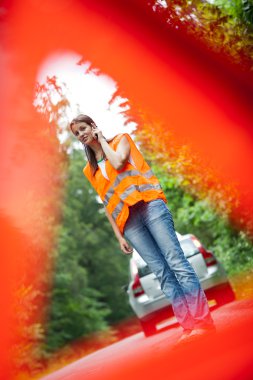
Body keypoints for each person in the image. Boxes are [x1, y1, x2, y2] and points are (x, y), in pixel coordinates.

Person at [70, 114, 215, 343]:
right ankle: (188, 327)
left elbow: (118, 162)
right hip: (129, 222)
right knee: (162, 273)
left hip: (150, 206)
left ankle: (203, 323)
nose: (81, 135)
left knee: (176, 262)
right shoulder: (90, 170)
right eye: (77, 133)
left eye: (83, 129)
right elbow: (107, 203)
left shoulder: (121, 140)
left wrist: (102, 141)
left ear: (93, 126)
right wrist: (119, 236)